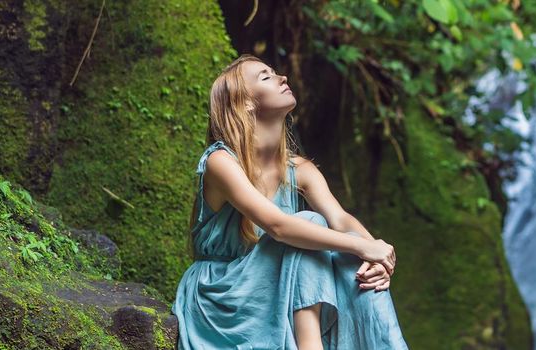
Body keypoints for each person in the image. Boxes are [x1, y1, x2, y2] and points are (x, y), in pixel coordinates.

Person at [171, 53, 409, 349]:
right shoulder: (220, 162)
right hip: (222, 296)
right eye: (266, 76)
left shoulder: (300, 170)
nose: (283, 77)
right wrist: (363, 245)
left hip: (278, 292)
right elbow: (278, 226)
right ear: (244, 103)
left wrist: (378, 254)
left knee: (356, 261)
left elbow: (342, 220)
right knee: (310, 226)